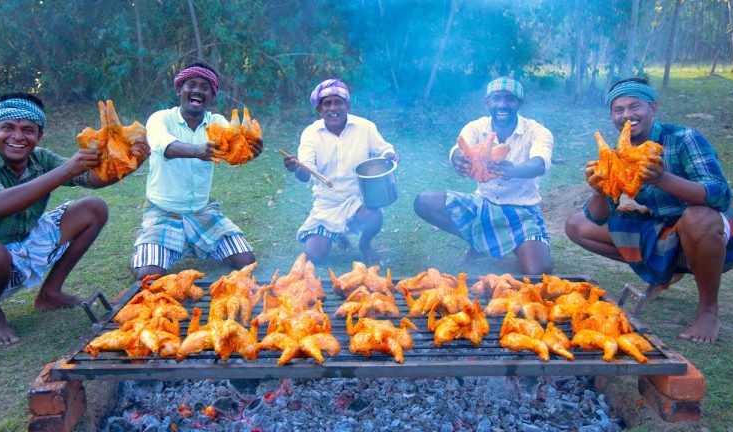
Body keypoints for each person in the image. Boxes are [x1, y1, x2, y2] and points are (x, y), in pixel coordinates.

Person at [565, 77, 733, 344]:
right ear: (612, 115)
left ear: (653, 108)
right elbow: (598, 217)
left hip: (715, 234)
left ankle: (708, 309)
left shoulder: (684, 138)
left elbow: (719, 195)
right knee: (576, 224)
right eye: (618, 110)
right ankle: (666, 271)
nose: (627, 115)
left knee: (697, 218)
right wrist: (600, 189)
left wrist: (662, 179)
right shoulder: (618, 154)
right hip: (666, 231)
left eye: (634, 106)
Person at [0, 93, 150, 345]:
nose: (18, 137)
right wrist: (68, 168)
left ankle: (50, 294)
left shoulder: (40, 158)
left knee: (93, 208)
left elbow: (89, 179)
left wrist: (133, 162)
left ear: (39, 135)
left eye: (28, 130)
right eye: (7, 128)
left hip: (23, 247)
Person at [130, 63, 262, 280]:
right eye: (191, 85)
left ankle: (185, 243)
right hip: (164, 211)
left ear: (211, 96)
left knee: (246, 261)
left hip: (202, 211)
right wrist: (197, 150)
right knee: (147, 275)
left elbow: (233, 151)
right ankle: (147, 239)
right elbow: (164, 146)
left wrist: (250, 151)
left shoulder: (217, 123)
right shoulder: (161, 118)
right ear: (179, 89)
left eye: (205, 87)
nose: (198, 91)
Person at [414, 77, 554, 274]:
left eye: (510, 99)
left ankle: (507, 243)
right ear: (488, 102)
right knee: (424, 202)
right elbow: (458, 148)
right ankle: (480, 243)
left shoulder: (537, 131)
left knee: (539, 271)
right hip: (483, 205)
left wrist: (513, 170)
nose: (502, 104)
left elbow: (539, 164)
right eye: (496, 98)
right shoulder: (476, 127)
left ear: (520, 103)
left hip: (523, 211)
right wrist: (458, 160)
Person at [283, 79, 398, 264]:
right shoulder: (311, 133)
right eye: (327, 103)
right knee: (315, 255)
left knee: (373, 215)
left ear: (348, 106)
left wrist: (390, 155)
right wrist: (298, 168)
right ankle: (337, 234)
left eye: (338, 102)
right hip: (327, 204)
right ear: (320, 110)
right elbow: (306, 173)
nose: (333, 107)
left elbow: (384, 150)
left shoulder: (365, 127)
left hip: (357, 200)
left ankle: (365, 244)